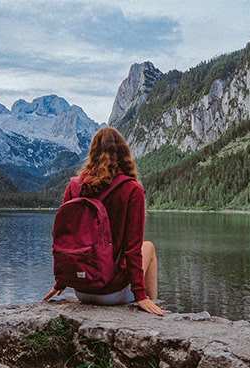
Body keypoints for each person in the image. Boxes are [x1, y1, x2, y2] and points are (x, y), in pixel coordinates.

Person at [43, 126, 164, 316]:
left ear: (93, 153)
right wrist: (140, 295)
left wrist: (61, 282)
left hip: (81, 289)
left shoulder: (75, 186)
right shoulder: (132, 190)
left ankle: (146, 300)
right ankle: (151, 303)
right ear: (125, 153)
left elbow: (65, 239)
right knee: (147, 247)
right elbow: (132, 249)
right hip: (111, 292)